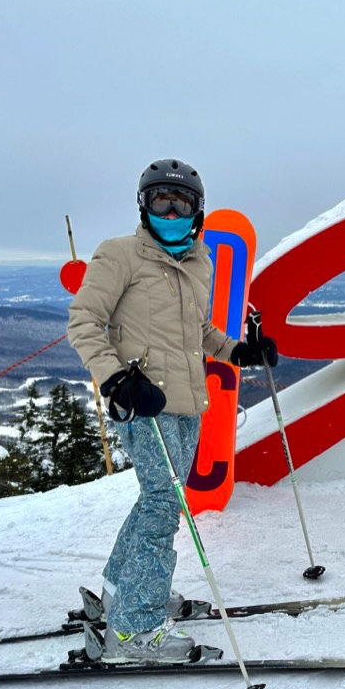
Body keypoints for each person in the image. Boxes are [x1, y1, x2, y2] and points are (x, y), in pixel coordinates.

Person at [67, 158, 278, 663]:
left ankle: (121, 594)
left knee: (158, 500)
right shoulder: (119, 255)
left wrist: (238, 352)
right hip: (143, 403)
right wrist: (115, 379)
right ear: (144, 206)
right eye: (160, 201)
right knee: (165, 506)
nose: (170, 211)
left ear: (196, 211)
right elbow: (83, 321)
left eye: (180, 203)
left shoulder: (199, 261)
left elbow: (196, 333)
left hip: (187, 403)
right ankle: (133, 631)